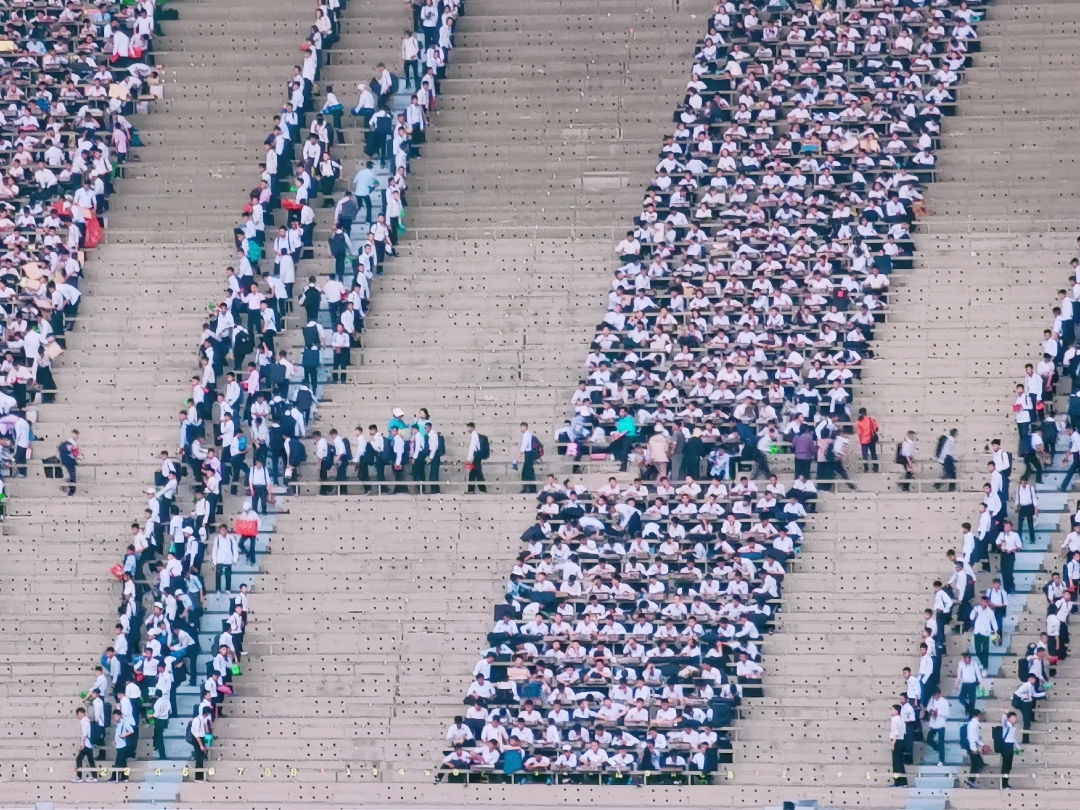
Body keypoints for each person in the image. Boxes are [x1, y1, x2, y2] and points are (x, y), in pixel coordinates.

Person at [924, 688, 949, 766]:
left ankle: (941, 760)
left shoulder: (944, 701)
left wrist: (938, 712)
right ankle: (939, 749)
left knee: (941, 742)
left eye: (937, 695)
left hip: (941, 725)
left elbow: (947, 713)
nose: (935, 697)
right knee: (929, 739)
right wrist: (932, 710)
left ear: (940, 694)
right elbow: (928, 708)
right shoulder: (932, 700)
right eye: (934, 695)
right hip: (933, 725)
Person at [74, 707, 97, 782]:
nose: (78, 716)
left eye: (78, 714)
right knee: (91, 760)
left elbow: (84, 734)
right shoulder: (87, 721)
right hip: (89, 744)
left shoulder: (84, 722)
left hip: (86, 744)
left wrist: (82, 744)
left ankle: (79, 776)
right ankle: (94, 776)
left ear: (81, 713)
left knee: (79, 759)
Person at [964, 710, 985, 788]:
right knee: (980, 764)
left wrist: (981, 744)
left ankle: (971, 781)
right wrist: (974, 748)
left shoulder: (974, 724)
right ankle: (971, 780)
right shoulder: (973, 724)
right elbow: (972, 737)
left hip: (973, 746)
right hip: (972, 747)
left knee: (975, 764)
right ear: (979, 715)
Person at [465, 422, 488, 493]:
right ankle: (471, 490)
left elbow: (472, 448)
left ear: (472, 428)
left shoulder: (474, 436)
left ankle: (482, 490)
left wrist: (468, 459)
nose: (467, 429)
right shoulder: (475, 435)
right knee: (472, 473)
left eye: (468, 428)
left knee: (478, 473)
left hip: (476, 456)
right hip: (476, 456)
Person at [889, 704, 907, 786]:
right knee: (900, 762)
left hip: (896, 741)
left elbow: (895, 732)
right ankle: (903, 781)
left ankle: (898, 782)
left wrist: (893, 743)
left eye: (892, 709)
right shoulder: (901, 719)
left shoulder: (894, 719)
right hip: (902, 740)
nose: (891, 711)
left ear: (897, 711)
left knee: (896, 763)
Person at [1000, 711, 1018, 788]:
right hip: (1006, 746)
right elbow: (1003, 720)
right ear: (1009, 718)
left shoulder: (1013, 727)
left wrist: (1017, 747)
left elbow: (1014, 738)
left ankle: (1006, 783)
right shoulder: (1006, 725)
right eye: (1014, 717)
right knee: (1006, 765)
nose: (1015, 719)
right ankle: (1003, 784)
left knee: (1009, 766)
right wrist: (1005, 714)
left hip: (1010, 746)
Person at [59, 429, 80, 496]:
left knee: (69, 476)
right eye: (77, 436)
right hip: (69, 462)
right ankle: (70, 491)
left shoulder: (65, 443)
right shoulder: (71, 444)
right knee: (72, 476)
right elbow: (74, 453)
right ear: (73, 434)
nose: (78, 437)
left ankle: (66, 487)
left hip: (64, 461)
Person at [518, 422, 537, 494]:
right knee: (528, 472)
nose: (522, 428)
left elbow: (525, 444)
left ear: (526, 427)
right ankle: (528, 488)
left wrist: (520, 453)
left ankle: (529, 489)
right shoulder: (528, 434)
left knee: (527, 472)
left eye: (523, 426)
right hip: (529, 454)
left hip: (529, 454)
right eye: (521, 427)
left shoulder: (526, 434)